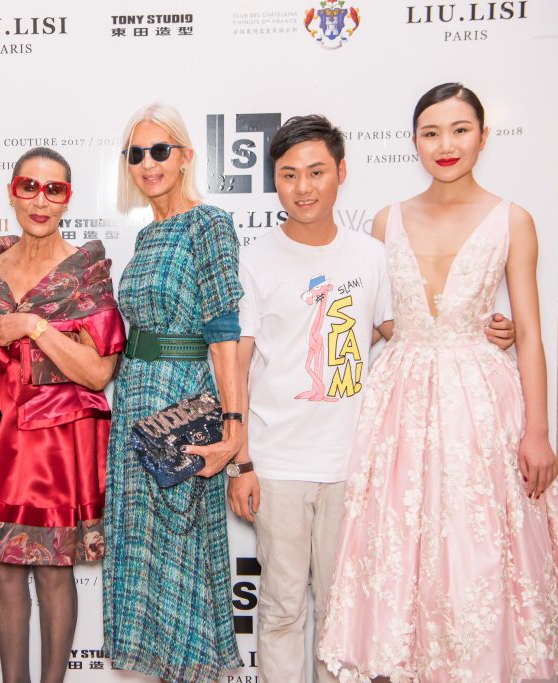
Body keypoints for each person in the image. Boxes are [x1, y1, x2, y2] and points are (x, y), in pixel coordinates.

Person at [230, 114, 515, 683]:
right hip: (277, 462)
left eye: (316, 172)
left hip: (358, 462)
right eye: (289, 174)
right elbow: (236, 363)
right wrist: (243, 461)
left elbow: (406, 333)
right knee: (282, 609)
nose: (303, 187)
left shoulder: (370, 254)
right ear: (274, 181)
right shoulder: (254, 259)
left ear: (341, 173)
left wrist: (481, 331)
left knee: (344, 612)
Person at [318, 83, 558, 680]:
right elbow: (376, 319)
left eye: (460, 130)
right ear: (414, 142)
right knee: (401, 545)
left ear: (484, 136)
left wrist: (538, 431)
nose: (445, 144)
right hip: (400, 403)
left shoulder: (513, 219)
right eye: (431, 133)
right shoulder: (387, 219)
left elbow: (531, 334)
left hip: (480, 404)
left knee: (476, 546)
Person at [0, 147, 125, 683]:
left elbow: (98, 373)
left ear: (68, 199)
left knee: (52, 567)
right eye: (29, 186)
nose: (40, 200)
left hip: (55, 441)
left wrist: (33, 326)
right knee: (2, 568)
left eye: (54, 189)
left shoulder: (86, 273)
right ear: (12, 192)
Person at [103, 103, 245, 683]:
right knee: (142, 554)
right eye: (136, 153)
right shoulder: (146, 234)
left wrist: (234, 427)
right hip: (134, 402)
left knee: (182, 550)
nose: (148, 163)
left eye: (160, 150)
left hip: (182, 406)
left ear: (185, 156)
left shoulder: (208, 224)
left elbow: (224, 332)